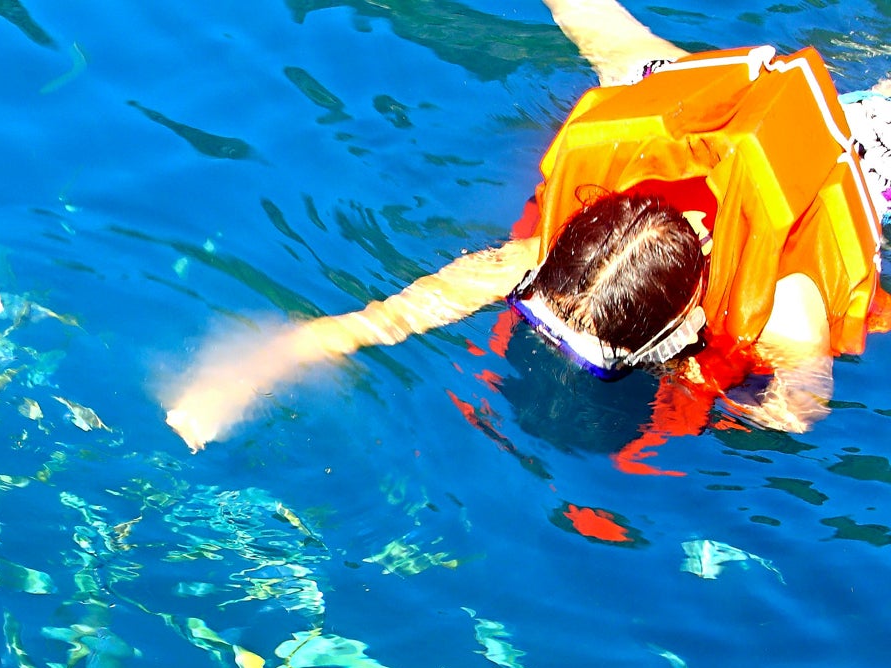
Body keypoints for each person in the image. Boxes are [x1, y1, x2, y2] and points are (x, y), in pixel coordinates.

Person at [163, 0, 891, 454]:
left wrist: (743, 404)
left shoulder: (787, 312)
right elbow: (359, 327)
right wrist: (223, 389)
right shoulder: (645, 84)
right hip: (762, 123)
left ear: (676, 328)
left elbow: (802, 407)